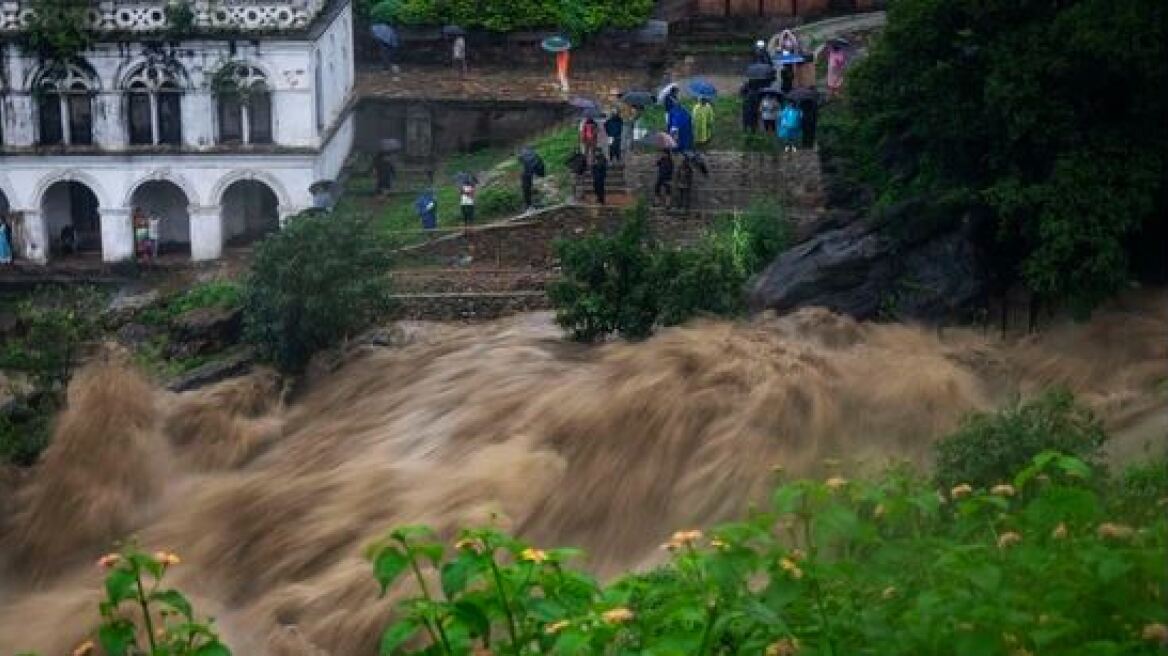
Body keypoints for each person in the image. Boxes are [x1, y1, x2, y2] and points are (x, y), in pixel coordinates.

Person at [519, 147, 545, 211]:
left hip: (532, 173)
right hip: (538, 170)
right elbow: (541, 165)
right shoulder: (533, 154)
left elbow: (527, 169)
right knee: (534, 187)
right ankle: (536, 203)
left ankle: (530, 205)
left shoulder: (524, 157)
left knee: (528, 187)